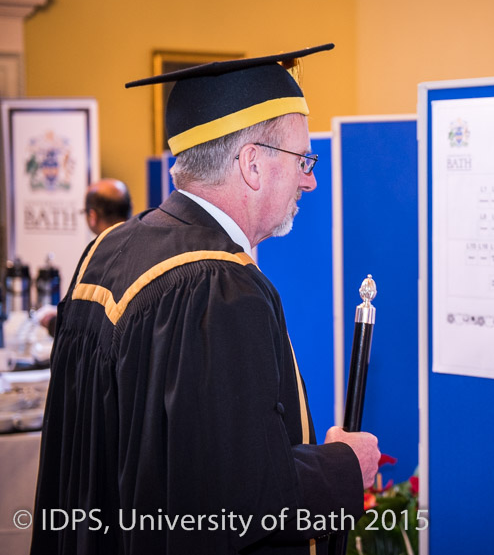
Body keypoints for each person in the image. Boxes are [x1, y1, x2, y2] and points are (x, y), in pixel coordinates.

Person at [31, 44, 380, 555]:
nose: (310, 179)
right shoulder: (220, 287)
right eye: (304, 159)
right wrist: (343, 466)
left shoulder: (107, 251)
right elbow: (228, 501)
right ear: (252, 164)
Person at [37, 178, 133, 336]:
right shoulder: (144, 248)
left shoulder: (97, 258)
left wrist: (52, 322)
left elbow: (82, 326)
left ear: (92, 216)